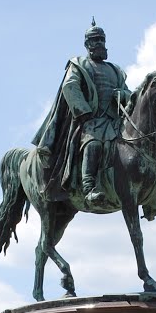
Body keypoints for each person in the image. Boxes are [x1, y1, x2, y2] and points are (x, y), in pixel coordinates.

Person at [32, 19, 132, 209]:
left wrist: (122, 94)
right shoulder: (78, 64)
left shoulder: (115, 70)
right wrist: (84, 111)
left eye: (102, 40)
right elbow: (70, 87)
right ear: (87, 44)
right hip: (89, 120)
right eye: (95, 40)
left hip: (113, 120)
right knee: (93, 144)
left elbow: (129, 93)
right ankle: (89, 188)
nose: (99, 44)